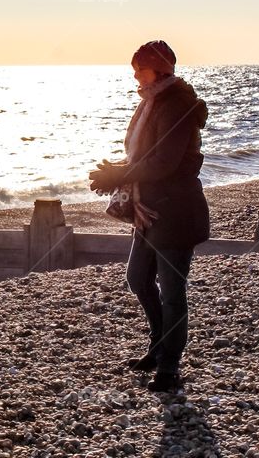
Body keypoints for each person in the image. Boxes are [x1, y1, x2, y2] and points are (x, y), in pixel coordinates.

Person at [88, 40, 209, 392]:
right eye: (134, 69)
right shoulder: (152, 101)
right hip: (149, 208)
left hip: (176, 211)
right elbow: (145, 156)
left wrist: (121, 176)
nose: (135, 76)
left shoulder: (178, 105)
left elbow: (165, 162)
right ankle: (158, 346)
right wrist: (119, 168)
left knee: (172, 292)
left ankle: (169, 367)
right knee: (138, 278)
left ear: (160, 69)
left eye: (140, 69)